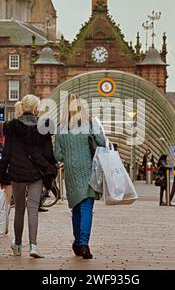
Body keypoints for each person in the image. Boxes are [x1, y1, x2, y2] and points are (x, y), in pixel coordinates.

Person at [0, 95, 57, 258]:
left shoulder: (10, 126)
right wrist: (51, 171)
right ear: (36, 108)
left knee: (19, 210)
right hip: (36, 173)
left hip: (17, 172)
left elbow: (6, 153)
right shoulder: (44, 126)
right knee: (33, 209)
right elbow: (48, 153)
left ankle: (17, 244)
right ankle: (33, 246)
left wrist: (0, 176)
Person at [55, 93, 106, 259]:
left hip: (70, 171)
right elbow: (102, 141)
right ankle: (83, 243)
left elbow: (57, 155)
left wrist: (70, 156)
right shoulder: (89, 123)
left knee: (76, 207)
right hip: (88, 170)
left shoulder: (60, 128)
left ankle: (77, 242)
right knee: (86, 208)